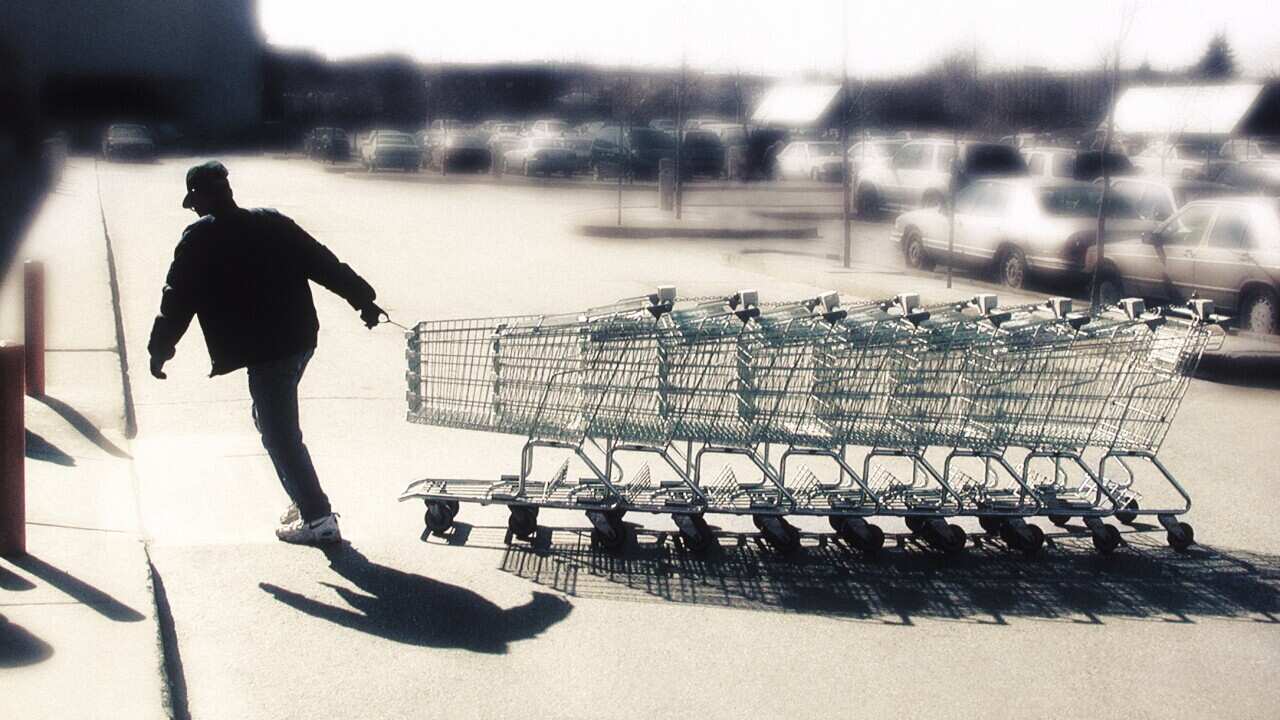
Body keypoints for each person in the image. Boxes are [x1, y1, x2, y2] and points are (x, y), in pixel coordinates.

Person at [147, 161, 383, 545]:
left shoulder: (198, 239)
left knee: (279, 434)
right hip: (299, 341)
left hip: (266, 351)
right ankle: (302, 497)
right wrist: (363, 300)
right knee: (269, 420)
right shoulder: (273, 223)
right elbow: (324, 263)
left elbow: (176, 301)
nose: (192, 208)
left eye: (194, 200)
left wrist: (160, 349)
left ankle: (318, 517)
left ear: (204, 197)